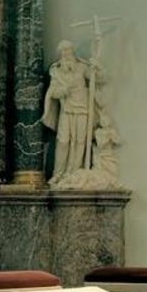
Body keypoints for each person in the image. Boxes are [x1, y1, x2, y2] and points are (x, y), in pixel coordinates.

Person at [41, 40, 100, 184]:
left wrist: (97, 67)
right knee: (63, 141)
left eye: (68, 50)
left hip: (82, 109)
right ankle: (59, 173)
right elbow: (52, 92)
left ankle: (73, 172)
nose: (66, 54)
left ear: (73, 52)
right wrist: (61, 91)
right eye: (63, 51)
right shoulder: (56, 70)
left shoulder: (81, 67)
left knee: (80, 141)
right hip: (66, 110)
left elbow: (99, 79)